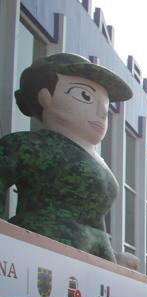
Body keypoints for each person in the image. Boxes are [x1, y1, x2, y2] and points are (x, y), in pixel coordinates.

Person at [0, 54, 133, 261]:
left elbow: (94, 219)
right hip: (40, 251)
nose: (101, 113)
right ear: (45, 96)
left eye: (105, 106)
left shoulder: (98, 161)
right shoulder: (27, 145)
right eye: (85, 96)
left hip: (93, 255)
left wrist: (113, 260)